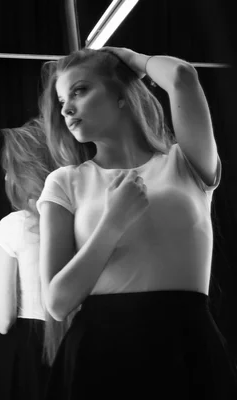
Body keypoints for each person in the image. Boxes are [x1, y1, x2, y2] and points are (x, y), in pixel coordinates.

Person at [35, 47, 237, 399]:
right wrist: (112, 223)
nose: (66, 108)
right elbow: (57, 302)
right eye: (62, 100)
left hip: (186, 349)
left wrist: (129, 59)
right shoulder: (65, 182)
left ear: (121, 96)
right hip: (100, 357)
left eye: (80, 90)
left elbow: (183, 77)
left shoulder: (186, 162)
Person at [0, 118, 55, 399]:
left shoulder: (12, 226)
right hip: (76, 347)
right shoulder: (80, 220)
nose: (5, 178)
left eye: (9, 170)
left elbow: (2, 319)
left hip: (29, 356)